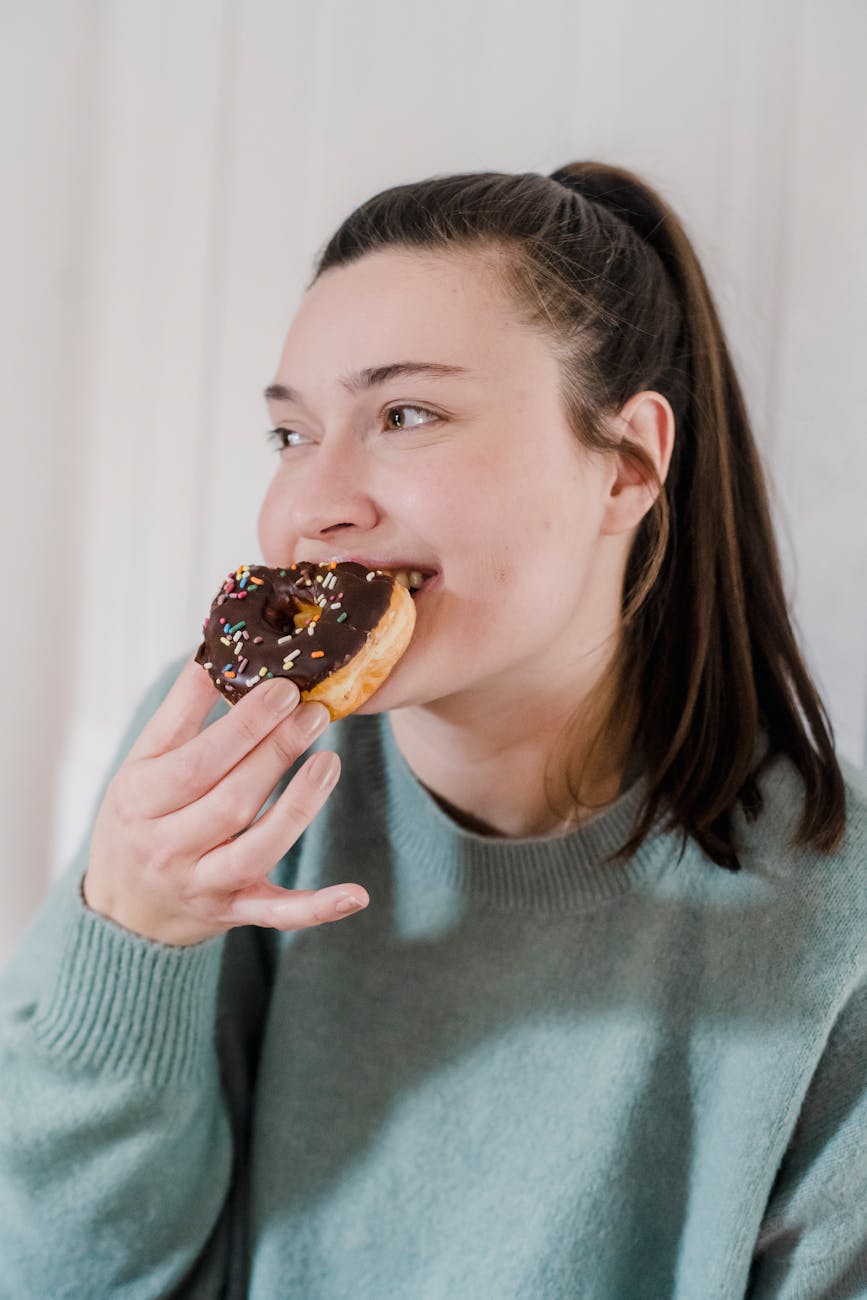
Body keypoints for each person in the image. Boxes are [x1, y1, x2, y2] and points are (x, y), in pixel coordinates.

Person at [0, 161, 864, 1299]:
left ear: (629, 461)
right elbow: (61, 1277)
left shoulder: (836, 913)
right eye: (291, 435)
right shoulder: (221, 771)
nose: (313, 505)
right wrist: (133, 937)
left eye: (404, 414)